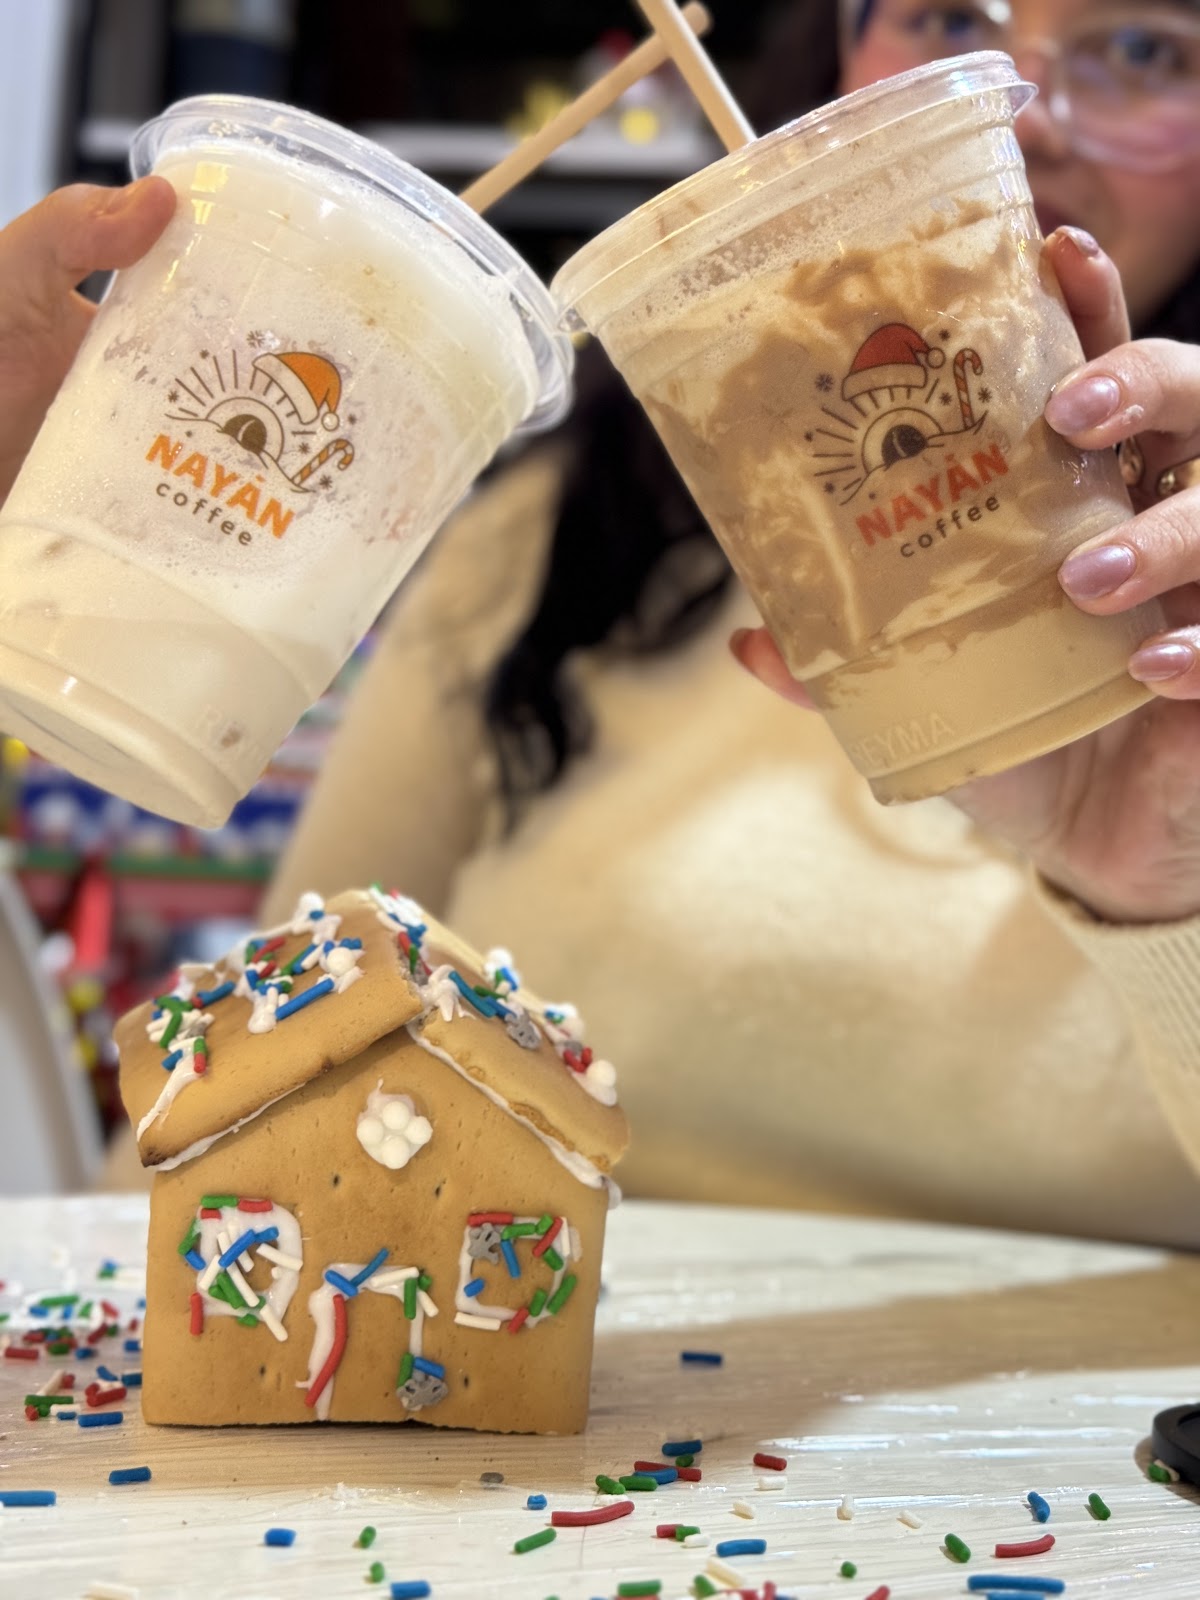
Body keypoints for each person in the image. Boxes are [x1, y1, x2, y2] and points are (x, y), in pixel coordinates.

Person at [2, 9, 1197, 1236]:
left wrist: (1161, 873)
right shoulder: (550, 546)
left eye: (1145, 49)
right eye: (948, 15)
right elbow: (277, 1038)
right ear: (838, 51)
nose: (1031, 112)